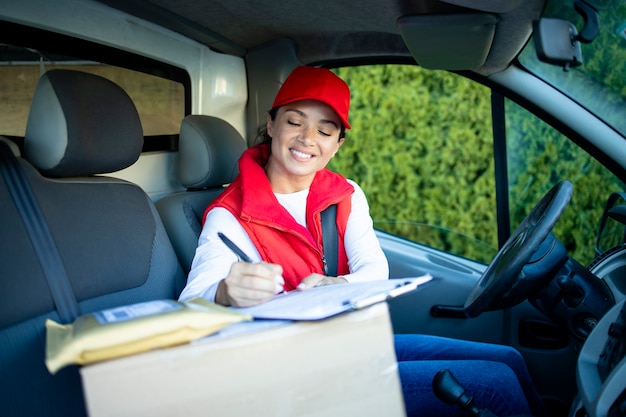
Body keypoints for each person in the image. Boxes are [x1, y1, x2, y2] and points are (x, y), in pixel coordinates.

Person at [179, 65, 548, 417]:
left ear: (338, 144)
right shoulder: (230, 214)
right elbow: (190, 303)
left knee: (509, 359)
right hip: (294, 371)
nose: (308, 139)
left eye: (325, 131)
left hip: (349, 347)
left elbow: (376, 271)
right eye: (294, 122)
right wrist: (225, 292)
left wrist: (335, 284)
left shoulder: (346, 195)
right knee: (496, 385)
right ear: (272, 124)